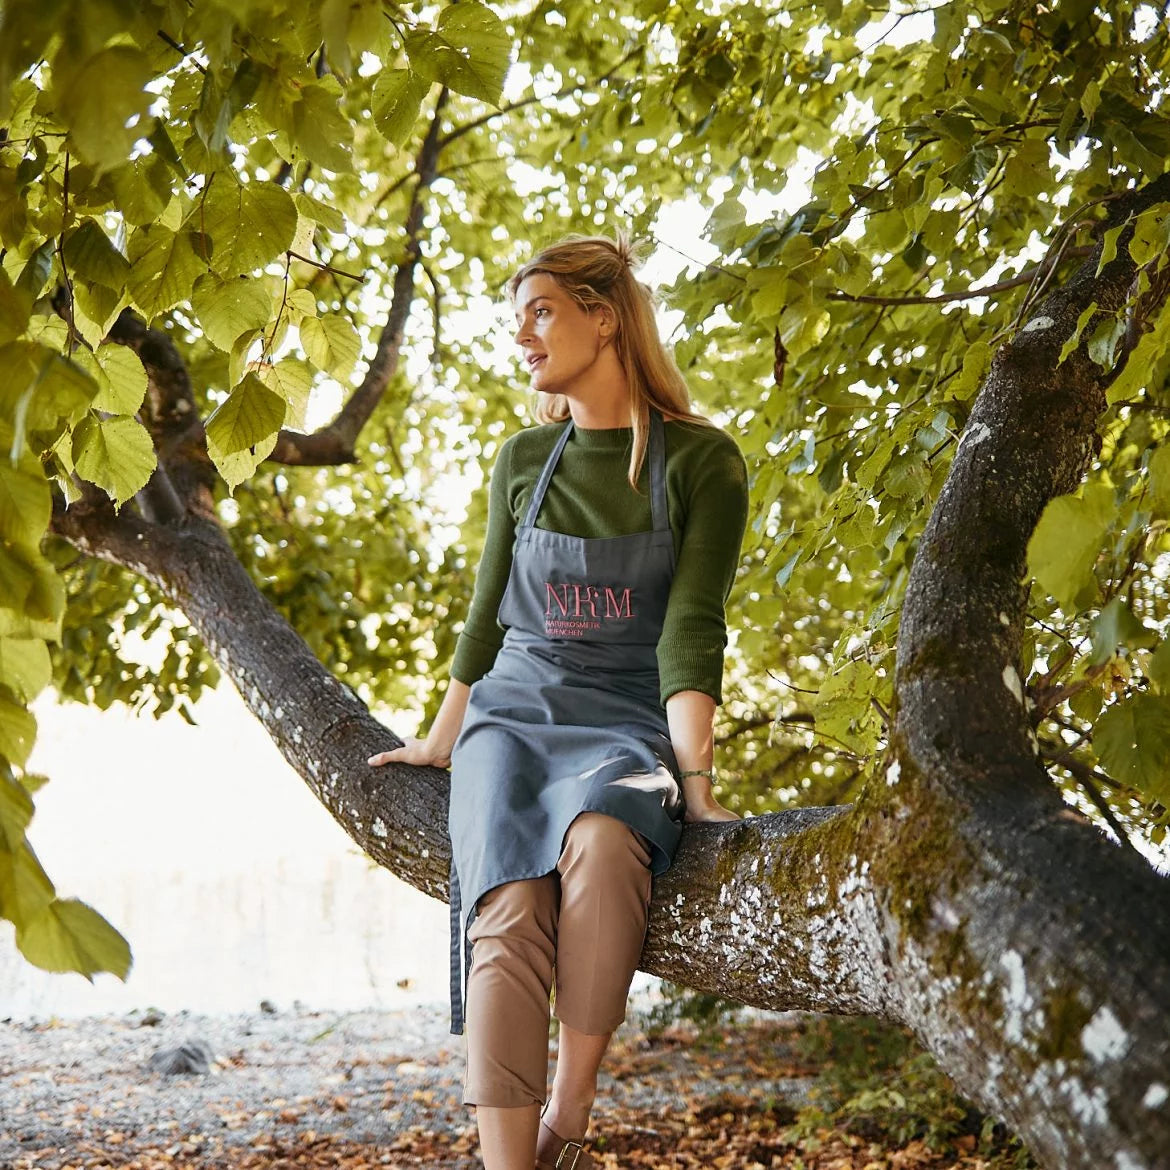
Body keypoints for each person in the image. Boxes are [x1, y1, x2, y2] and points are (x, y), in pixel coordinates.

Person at [368, 234, 749, 1170]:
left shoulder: (703, 462)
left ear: (605, 315)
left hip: (625, 714)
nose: (524, 336)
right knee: (504, 905)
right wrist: (441, 737)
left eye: (541, 310)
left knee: (610, 842)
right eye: (517, 319)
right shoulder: (523, 458)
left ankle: (568, 1115)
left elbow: (691, 631)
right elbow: (485, 616)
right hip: (515, 712)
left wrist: (695, 785)